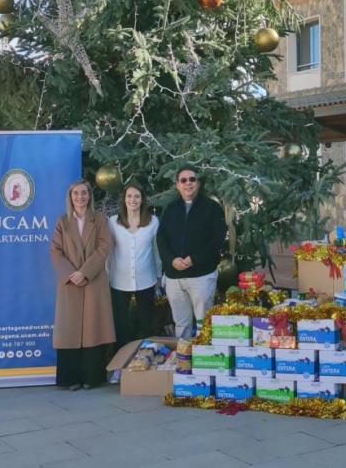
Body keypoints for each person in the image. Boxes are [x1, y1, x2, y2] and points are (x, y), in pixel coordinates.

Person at [50, 180, 115, 390]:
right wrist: (71, 274)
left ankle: (91, 377)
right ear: (70, 197)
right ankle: (70, 379)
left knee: (93, 327)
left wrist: (85, 272)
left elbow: (104, 247)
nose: (80, 197)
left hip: (93, 280)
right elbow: (55, 251)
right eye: (76, 193)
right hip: (70, 282)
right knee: (69, 329)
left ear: (89, 196)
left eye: (84, 193)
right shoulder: (62, 222)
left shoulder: (99, 219)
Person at [156, 166, 226, 339]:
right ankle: (183, 354)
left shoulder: (212, 208)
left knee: (204, 323)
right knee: (181, 324)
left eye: (192, 179)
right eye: (183, 180)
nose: (188, 183)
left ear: (198, 183)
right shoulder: (170, 209)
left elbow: (217, 239)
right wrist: (171, 260)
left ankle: (205, 354)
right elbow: (161, 238)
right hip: (174, 278)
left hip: (201, 276)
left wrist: (194, 259)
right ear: (177, 185)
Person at [107, 182, 162, 351]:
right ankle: (121, 359)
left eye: (137, 196)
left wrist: (159, 276)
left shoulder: (153, 222)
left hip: (146, 280)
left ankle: (145, 358)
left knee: (146, 323)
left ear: (142, 199)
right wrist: (106, 275)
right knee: (120, 325)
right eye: (129, 196)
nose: (133, 199)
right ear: (124, 199)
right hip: (118, 281)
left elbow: (156, 251)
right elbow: (108, 251)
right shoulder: (113, 222)